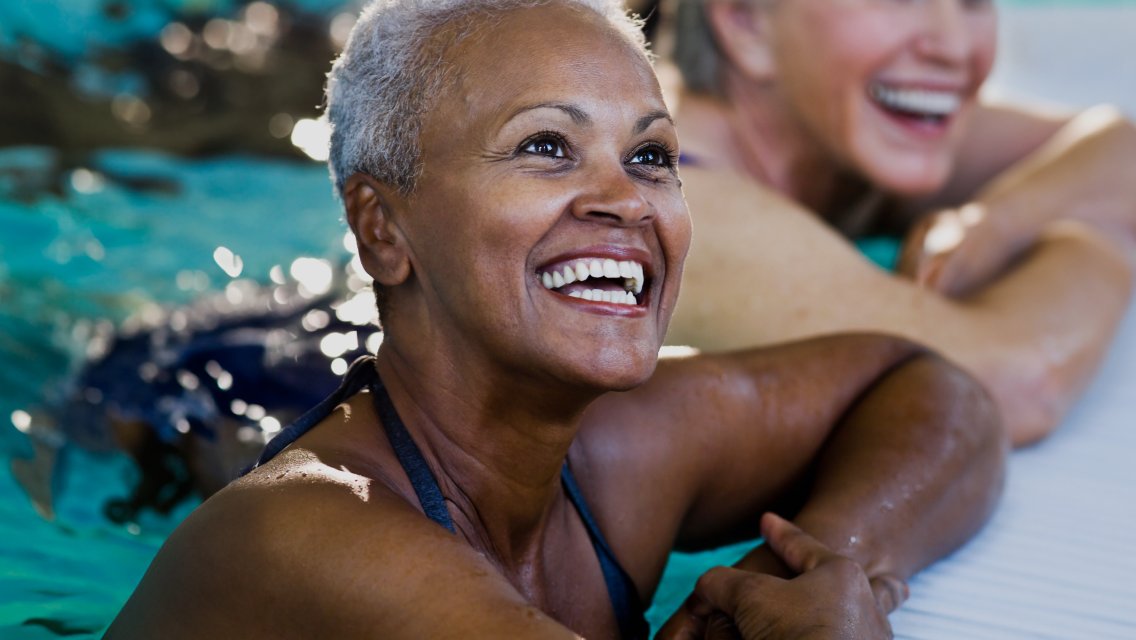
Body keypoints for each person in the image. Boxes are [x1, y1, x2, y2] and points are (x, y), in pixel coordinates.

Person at [104, 1, 1006, 637]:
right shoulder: (314, 538)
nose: (627, 200)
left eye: (651, 155)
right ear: (382, 227)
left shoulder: (618, 454)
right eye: (546, 146)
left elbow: (929, 388)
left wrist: (821, 571)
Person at [663, 0, 1136, 446]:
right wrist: (1097, 241)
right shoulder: (678, 207)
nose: (952, 46)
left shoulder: (840, 133)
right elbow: (1020, 382)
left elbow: (1121, 148)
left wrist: (996, 225)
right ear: (747, 21)